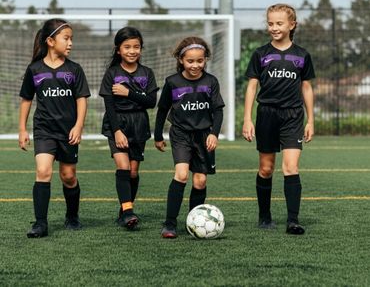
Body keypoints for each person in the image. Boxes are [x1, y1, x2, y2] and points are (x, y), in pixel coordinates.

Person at [243, 3, 315, 235]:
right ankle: (265, 216)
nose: (274, 27)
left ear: (292, 25)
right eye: (270, 23)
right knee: (266, 168)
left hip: (293, 115)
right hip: (267, 114)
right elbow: (252, 86)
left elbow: (306, 88)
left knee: (291, 167)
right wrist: (247, 118)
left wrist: (310, 120)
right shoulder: (261, 54)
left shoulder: (301, 55)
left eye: (279, 23)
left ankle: (293, 220)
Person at [19, 19, 90, 238]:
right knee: (43, 171)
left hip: (68, 131)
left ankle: (72, 217)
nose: (70, 43)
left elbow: (81, 100)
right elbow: (26, 99)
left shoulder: (74, 70)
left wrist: (78, 126)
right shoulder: (35, 69)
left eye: (71, 39)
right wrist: (22, 129)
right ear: (50, 41)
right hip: (44, 130)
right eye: (66, 38)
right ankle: (40, 223)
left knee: (68, 176)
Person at [154, 36, 225, 238]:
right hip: (181, 134)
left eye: (200, 61)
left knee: (200, 181)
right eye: (190, 61)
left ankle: (193, 221)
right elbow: (162, 110)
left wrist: (213, 134)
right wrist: (158, 136)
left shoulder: (211, 82)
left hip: (204, 135)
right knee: (182, 174)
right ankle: (169, 224)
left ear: (205, 60)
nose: (195, 65)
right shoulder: (172, 82)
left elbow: (218, 111)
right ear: (181, 60)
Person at [99, 26, 158, 230]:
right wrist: (116, 131)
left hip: (139, 124)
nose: (132, 51)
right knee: (123, 167)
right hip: (117, 124)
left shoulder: (147, 73)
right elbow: (109, 104)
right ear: (118, 50)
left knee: (133, 172)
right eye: (127, 47)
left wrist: (129, 93)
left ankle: (124, 211)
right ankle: (129, 212)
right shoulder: (112, 73)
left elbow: (151, 101)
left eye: (136, 46)